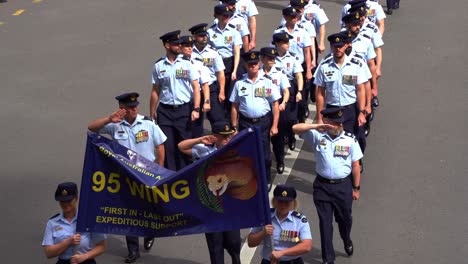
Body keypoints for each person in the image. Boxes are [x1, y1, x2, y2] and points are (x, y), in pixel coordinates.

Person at [87, 92, 167, 263]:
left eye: (135, 106)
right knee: (129, 211)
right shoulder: (115, 125)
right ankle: (132, 249)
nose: (134, 109)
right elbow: (92, 127)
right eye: (130, 107)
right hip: (125, 175)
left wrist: (159, 169)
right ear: (121, 109)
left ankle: (149, 233)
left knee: (148, 208)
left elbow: (160, 146)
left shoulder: (148, 123)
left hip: (147, 173)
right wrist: (109, 119)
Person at [293, 107, 363, 264]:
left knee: (345, 219)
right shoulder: (318, 136)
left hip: (343, 186)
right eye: (334, 123)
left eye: (339, 123)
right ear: (326, 122)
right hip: (322, 186)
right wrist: (316, 126)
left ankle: (346, 239)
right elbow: (295, 128)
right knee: (325, 223)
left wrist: (356, 188)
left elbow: (356, 166)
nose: (338, 126)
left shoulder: (350, 140)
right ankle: (328, 259)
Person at [178, 120, 241, 264]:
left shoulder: (236, 150)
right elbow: (181, 147)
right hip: (210, 206)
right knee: (215, 246)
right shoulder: (205, 150)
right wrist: (201, 139)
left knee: (233, 243)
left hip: (230, 205)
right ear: (215, 137)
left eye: (228, 136)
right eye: (223, 137)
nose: (226, 140)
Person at [150, 30, 201, 171]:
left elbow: (196, 88)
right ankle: (171, 177)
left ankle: (186, 175)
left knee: (184, 145)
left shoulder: (187, 64)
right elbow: (155, 91)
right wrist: (152, 112)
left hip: (184, 110)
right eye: (175, 44)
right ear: (167, 45)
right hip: (165, 111)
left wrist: (196, 108)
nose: (179, 46)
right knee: (168, 148)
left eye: (180, 44)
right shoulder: (159, 66)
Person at [229, 50, 280, 185]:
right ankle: (250, 179)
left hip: (262, 122)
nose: (253, 66)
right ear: (245, 65)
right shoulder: (240, 84)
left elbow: (275, 104)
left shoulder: (267, 82)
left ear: (259, 64)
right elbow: (234, 106)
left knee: (264, 154)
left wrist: (275, 125)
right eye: (250, 64)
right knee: (247, 153)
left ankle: (266, 179)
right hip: (245, 123)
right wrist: (234, 127)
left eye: (255, 63)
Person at [42, 182, 107, 264]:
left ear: (76, 198)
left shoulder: (88, 219)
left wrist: (85, 256)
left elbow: (102, 246)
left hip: (86, 261)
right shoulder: (52, 222)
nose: (65, 204)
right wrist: (68, 242)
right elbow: (49, 253)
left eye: (69, 200)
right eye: (62, 201)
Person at [247, 184, 312, 264]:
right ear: (274, 201)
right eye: (280, 201)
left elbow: (306, 246)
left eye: (287, 202)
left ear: (293, 202)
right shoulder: (265, 217)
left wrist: (282, 253)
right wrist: (263, 233)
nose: (283, 205)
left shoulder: (300, 220)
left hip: (292, 262)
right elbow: (250, 242)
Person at [274, 6, 313, 124]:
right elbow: (273, 50)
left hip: (299, 66)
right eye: (292, 17)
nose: (295, 19)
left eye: (296, 16)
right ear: (285, 17)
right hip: (282, 69)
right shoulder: (278, 32)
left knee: (301, 95)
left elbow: (307, 52)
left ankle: (301, 116)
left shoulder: (302, 31)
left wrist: (309, 70)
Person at [207, 4, 243, 121]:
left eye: (229, 15)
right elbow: (208, 52)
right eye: (224, 15)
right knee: (217, 93)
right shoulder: (210, 32)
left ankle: (230, 121)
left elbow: (237, 52)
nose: (227, 17)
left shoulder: (234, 31)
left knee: (231, 95)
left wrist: (235, 70)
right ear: (216, 16)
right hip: (216, 65)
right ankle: (220, 121)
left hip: (230, 63)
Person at [259, 47, 290, 174]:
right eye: (269, 58)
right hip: (264, 113)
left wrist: (284, 102)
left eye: (273, 58)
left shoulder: (279, 73)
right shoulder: (258, 74)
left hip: (277, 110)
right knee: (263, 140)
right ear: (262, 59)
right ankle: (263, 164)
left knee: (278, 139)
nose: (272, 60)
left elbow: (286, 91)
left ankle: (280, 160)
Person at [189, 23, 227, 126]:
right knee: (194, 122)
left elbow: (220, 73)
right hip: (193, 90)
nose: (204, 38)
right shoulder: (188, 52)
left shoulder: (213, 52)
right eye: (201, 36)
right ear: (194, 37)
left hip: (211, 89)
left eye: (205, 35)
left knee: (218, 119)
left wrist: (222, 91)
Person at [273, 32, 304, 152]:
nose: (288, 45)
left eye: (288, 42)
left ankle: (291, 136)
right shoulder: (271, 57)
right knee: (279, 118)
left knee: (290, 118)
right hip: (275, 88)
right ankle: (281, 139)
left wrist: (299, 91)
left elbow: (298, 76)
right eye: (285, 43)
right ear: (277, 44)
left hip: (290, 87)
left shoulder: (293, 57)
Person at [178, 35, 212, 138]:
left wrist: (207, 101)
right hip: (182, 102)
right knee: (182, 131)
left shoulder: (198, 62)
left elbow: (205, 84)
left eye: (191, 45)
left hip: (196, 101)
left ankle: (197, 153)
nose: (190, 48)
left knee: (197, 131)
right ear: (180, 47)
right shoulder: (175, 63)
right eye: (186, 46)